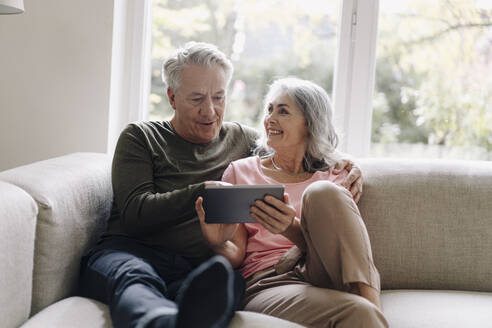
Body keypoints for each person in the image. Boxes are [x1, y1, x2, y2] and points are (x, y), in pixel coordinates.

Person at [78, 42, 363, 328]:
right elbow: (134, 214)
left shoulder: (241, 140)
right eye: (197, 99)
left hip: (201, 266)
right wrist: (204, 192)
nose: (210, 111)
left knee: (228, 285)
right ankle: (160, 323)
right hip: (131, 251)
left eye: (218, 97)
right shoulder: (142, 137)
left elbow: (293, 141)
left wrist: (346, 162)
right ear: (172, 97)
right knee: (135, 277)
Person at [195, 77, 388, 328]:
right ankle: (370, 310)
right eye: (270, 109)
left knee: (322, 192)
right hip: (271, 280)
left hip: (324, 271)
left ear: (309, 123)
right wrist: (218, 243)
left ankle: (370, 301)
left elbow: (347, 249)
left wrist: (290, 226)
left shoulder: (338, 175)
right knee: (360, 314)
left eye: (283, 111)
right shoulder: (241, 173)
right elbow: (236, 255)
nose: (270, 119)